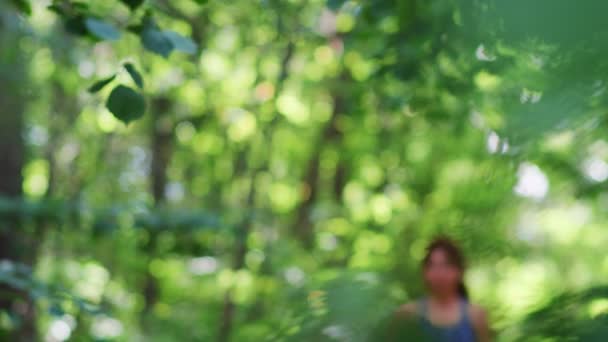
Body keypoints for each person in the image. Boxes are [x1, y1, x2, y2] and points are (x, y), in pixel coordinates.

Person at [393, 237, 491, 342]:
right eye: (432, 266)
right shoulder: (408, 313)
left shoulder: (476, 315)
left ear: (459, 271)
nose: (439, 273)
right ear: (424, 272)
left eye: (446, 265)